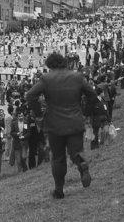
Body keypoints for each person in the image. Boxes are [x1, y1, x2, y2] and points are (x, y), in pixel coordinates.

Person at [25, 51, 95, 199]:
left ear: (50, 64)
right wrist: (85, 111)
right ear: (64, 62)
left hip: (55, 124)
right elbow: (91, 94)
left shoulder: (46, 79)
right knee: (77, 151)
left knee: (58, 157)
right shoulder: (77, 77)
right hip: (75, 120)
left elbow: (30, 95)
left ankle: (59, 190)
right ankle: (82, 166)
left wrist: (38, 114)